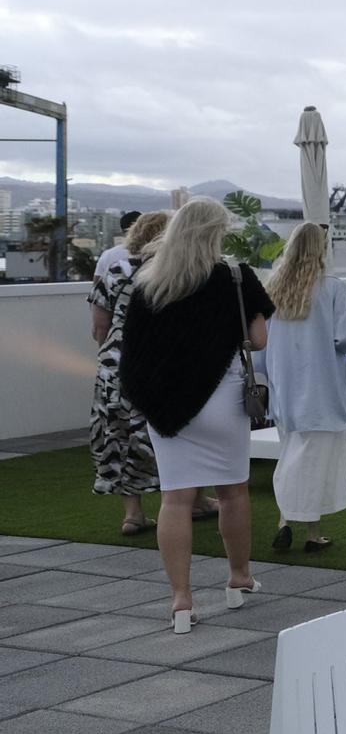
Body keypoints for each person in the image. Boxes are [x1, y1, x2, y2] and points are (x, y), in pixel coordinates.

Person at [119, 198, 269, 633]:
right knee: (233, 493)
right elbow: (258, 339)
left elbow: (133, 354)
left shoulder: (149, 281)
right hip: (221, 399)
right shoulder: (235, 278)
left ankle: (181, 601)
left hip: (166, 405)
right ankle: (238, 577)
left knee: (175, 499)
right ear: (216, 232)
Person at [263, 223, 346, 552]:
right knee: (315, 462)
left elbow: (264, 344)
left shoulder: (274, 288)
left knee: (293, 454)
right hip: (320, 389)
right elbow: (344, 340)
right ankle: (294, 524)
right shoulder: (332, 288)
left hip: (285, 387)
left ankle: (298, 525)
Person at [88, 210, 170, 535]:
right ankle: (179, 506)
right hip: (160, 361)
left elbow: (99, 327)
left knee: (118, 433)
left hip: (116, 361)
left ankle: (132, 514)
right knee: (164, 432)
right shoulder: (174, 275)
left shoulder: (116, 270)